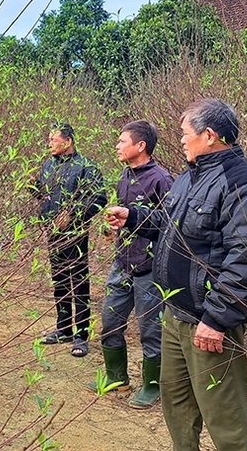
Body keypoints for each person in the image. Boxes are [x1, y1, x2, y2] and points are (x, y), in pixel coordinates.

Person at [105, 99, 247, 450]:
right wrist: (134, 218)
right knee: (178, 408)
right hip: (176, 315)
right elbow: (173, 227)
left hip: (207, 324)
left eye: (185, 134)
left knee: (228, 421)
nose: (181, 140)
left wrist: (217, 318)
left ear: (209, 135)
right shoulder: (188, 177)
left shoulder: (242, 183)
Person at [89, 120, 173, 409]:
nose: (117, 146)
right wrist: (111, 227)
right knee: (110, 322)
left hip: (149, 268)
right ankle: (117, 376)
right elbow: (125, 217)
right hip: (122, 263)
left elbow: (171, 226)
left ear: (141, 146)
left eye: (122, 141)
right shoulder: (125, 176)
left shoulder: (162, 179)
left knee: (151, 329)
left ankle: (152, 386)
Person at [31, 122, 107, 358]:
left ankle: (81, 335)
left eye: (53, 139)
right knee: (60, 281)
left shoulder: (85, 167)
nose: (49, 144)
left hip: (75, 235)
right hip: (52, 234)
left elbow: (99, 198)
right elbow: (43, 193)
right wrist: (32, 187)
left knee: (78, 284)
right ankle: (63, 328)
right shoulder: (48, 165)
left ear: (68, 141)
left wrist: (73, 214)